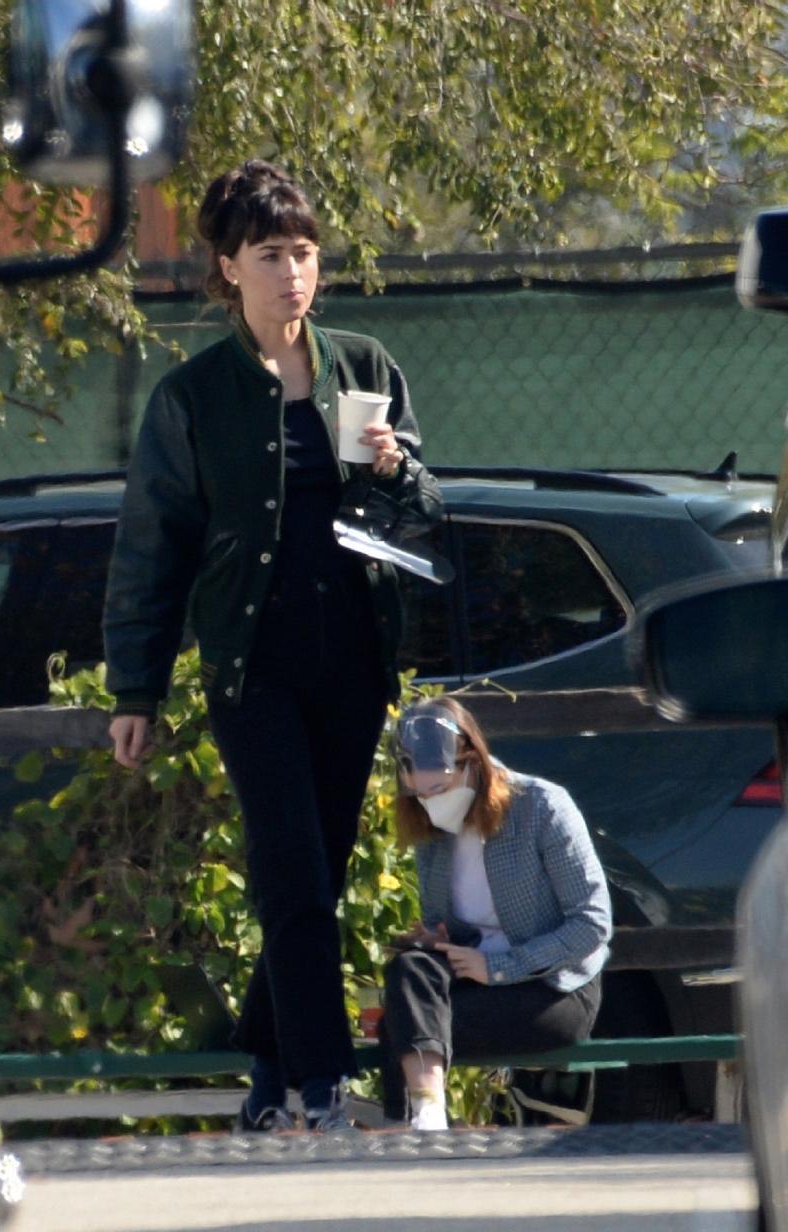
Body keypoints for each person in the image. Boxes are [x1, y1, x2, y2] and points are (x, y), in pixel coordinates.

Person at [103, 159, 442, 1132]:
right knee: (291, 864)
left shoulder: (363, 366)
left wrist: (395, 469)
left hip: (351, 659)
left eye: (303, 253)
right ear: (227, 267)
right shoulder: (193, 395)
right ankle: (323, 1083)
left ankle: (265, 1061)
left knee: (319, 869)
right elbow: (150, 545)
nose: (292, 273)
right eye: (269, 255)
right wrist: (136, 688)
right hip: (252, 667)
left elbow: (415, 516)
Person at [381, 694, 612, 1131]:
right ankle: (428, 1115)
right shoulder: (431, 829)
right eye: (421, 792)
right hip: (474, 979)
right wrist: (434, 938)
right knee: (408, 973)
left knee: (403, 1028)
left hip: (555, 987)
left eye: (440, 788)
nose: (432, 801)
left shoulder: (541, 805)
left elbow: (592, 923)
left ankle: (413, 1123)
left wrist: (500, 967)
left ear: (473, 763)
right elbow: (445, 923)